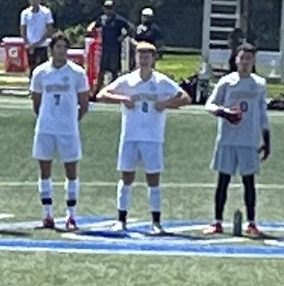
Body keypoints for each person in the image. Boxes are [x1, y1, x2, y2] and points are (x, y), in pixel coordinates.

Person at [99, 41, 190, 233]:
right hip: (130, 135)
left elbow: (185, 98)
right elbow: (102, 94)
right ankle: (121, 219)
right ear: (135, 58)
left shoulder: (161, 81)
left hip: (152, 136)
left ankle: (156, 222)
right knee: (126, 176)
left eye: (147, 56)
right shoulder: (128, 80)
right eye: (140, 56)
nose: (144, 59)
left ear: (153, 59)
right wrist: (122, 99)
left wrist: (165, 103)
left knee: (153, 179)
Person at [204, 43, 271, 236]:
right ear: (236, 59)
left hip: (248, 140)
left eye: (249, 59)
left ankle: (251, 222)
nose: (245, 62)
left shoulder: (259, 83)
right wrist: (224, 113)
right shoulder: (227, 81)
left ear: (253, 62)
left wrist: (266, 139)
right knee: (223, 180)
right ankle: (217, 221)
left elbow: (262, 113)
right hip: (227, 139)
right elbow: (210, 104)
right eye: (242, 58)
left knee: (248, 182)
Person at [30, 32, 91, 230]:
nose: (62, 51)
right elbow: (36, 101)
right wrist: (46, 117)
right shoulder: (41, 72)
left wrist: (72, 121)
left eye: (65, 47)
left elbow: (84, 103)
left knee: (71, 171)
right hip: (46, 128)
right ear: (51, 49)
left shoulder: (77, 73)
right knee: (44, 170)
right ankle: (47, 214)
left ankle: (71, 215)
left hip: (68, 129)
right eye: (58, 47)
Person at [87, 0, 132, 99]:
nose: (108, 10)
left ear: (114, 9)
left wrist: (123, 36)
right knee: (101, 71)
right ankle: (96, 93)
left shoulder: (119, 20)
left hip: (115, 49)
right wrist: (91, 27)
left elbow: (130, 28)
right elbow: (94, 24)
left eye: (110, 8)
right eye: (106, 8)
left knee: (114, 72)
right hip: (104, 49)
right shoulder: (102, 18)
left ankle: (114, 92)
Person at [19, 0, 55, 73]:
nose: (34, 1)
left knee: (43, 68)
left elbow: (49, 30)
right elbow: (23, 30)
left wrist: (38, 43)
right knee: (32, 67)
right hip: (30, 45)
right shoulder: (25, 13)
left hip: (43, 45)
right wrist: (28, 44)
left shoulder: (46, 12)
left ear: (39, 0)